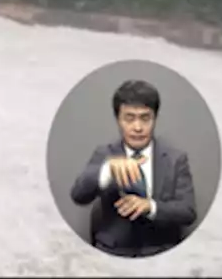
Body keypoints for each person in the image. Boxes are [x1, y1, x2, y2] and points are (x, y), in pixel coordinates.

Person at [69, 79, 197, 257]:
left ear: (155, 118)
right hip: (112, 252)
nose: (138, 127)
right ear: (118, 120)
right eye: (129, 118)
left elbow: (188, 212)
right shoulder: (104, 154)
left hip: (160, 253)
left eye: (145, 118)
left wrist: (150, 207)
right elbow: (78, 195)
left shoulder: (176, 159)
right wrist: (107, 170)